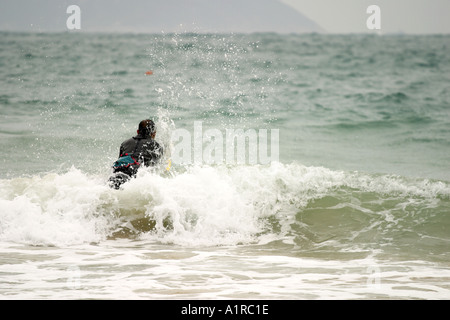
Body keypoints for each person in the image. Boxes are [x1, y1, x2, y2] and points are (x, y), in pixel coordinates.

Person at [109, 119, 163, 189]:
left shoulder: (124, 143)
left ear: (137, 131)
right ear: (154, 133)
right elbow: (156, 168)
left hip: (117, 169)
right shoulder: (156, 146)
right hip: (133, 173)